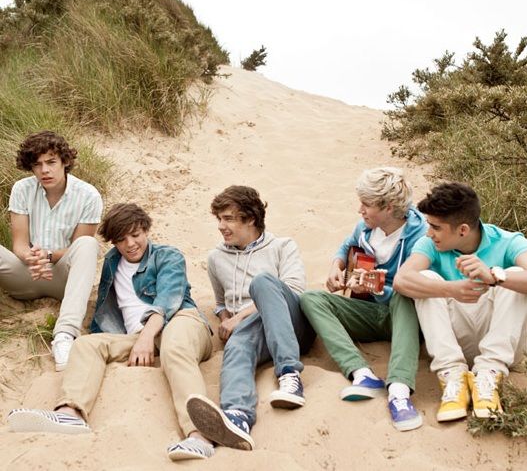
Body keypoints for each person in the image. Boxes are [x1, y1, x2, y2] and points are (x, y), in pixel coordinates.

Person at [7, 203, 215, 461]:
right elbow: (106, 310)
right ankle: (70, 413)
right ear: (113, 242)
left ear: (146, 230)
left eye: (136, 235)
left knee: (174, 347)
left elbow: (168, 303)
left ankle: (200, 434)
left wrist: (147, 338)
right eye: (121, 239)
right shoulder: (112, 262)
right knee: (86, 345)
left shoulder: (167, 256)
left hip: (181, 322)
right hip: (138, 338)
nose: (130, 244)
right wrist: (131, 339)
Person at [185, 185, 315, 451]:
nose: (221, 226)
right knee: (238, 344)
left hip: (290, 324)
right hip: (252, 332)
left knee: (263, 283)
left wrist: (239, 316)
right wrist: (224, 317)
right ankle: (238, 416)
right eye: (219, 219)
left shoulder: (282, 246)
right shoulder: (216, 258)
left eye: (229, 218)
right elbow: (221, 303)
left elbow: (294, 290)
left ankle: (290, 374)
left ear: (251, 219)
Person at [300, 167, 427, 431]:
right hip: (370, 313)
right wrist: (336, 266)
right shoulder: (366, 227)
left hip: (408, 315)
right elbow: (346, 247)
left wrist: (383, 288)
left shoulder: (421, 234)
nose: (360, 209)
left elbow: (423, 286)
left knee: (404, 295)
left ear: (389, 207)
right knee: (311, 299)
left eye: (366, 204)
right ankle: (362, 373)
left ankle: (399, 391)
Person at [394, 182, 527, 422]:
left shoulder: (508, 241)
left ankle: (489, 374)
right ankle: (453, 375)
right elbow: (401, 280)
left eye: (436, 227)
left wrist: (495, 276)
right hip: (455, 342)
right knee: (425, 279)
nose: (428, 233)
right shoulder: (430, 245)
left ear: (463, 230)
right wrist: (450, 288)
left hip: (504, 345)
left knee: (513, 274)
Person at [0, 131, 102, 370]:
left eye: (51, 162)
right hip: (27, 274)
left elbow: (77, 249)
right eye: (37, 165)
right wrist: (32, 257)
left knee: (88, 245)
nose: (44, 170)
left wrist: (47, 256)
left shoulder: (88, 195)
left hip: (64, 282)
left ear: (65, 161)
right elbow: (19, 244)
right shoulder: (22, 189)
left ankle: (65, 335)